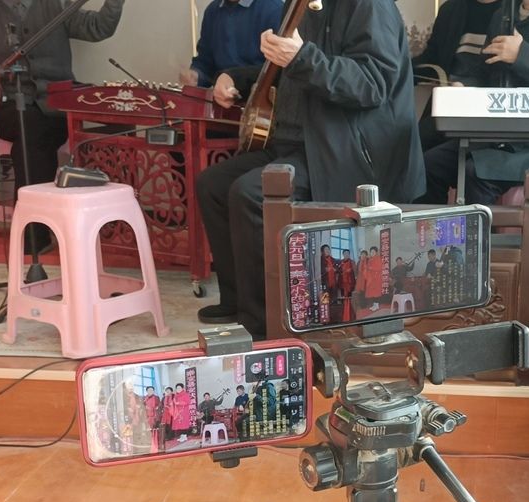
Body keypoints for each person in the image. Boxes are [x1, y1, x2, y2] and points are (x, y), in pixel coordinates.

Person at [195, 0, 425, 338]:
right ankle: (238, 300)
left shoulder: (369, 5)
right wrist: (235, 77)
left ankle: (264, 325)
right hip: (296, 143)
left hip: (346, 152)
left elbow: (373, 84)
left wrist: (301, 57)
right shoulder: (299, 4)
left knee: (251, 193)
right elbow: (290, 72)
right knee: (212, 184)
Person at [418, 0, 529, 206]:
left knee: (478, 172)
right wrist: (467, 88)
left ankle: (481, 228)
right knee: (428, 166)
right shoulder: (504, 15)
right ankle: (433, 227)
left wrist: (521, 55)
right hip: (497, 132)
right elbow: (485, 70)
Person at [0, 0, 125, 194]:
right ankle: (40, 207)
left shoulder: (58, 4)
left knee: (36, 134)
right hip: (6, 105)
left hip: (55, 105)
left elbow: (98, 27)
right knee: (31, 127)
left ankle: (32, 208)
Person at [413, 0, 503, 150]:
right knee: (411, 146)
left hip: (492, 112)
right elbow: (432, 59)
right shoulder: (451, 9)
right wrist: (397, 71)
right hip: (449, 104)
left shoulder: (513, 13)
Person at [181, 0, 284, 87]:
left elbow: (277, 70)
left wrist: (234, 78)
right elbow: (205, 61)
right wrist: (196, 76)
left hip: (257, 98)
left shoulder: (274, 10)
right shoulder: (212, 10)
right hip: (220, 96)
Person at [363, 246, 384, 312]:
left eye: (373, 252)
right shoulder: (370, 259)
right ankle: (374, 305)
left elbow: (380, 268)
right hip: (371, 279)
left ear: (376, 252)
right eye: (371, 252)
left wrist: (371, 268)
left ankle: (377, 305)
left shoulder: (378, 259)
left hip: (377, 278)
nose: (372, 253)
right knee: (372, 293)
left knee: (376, 293)